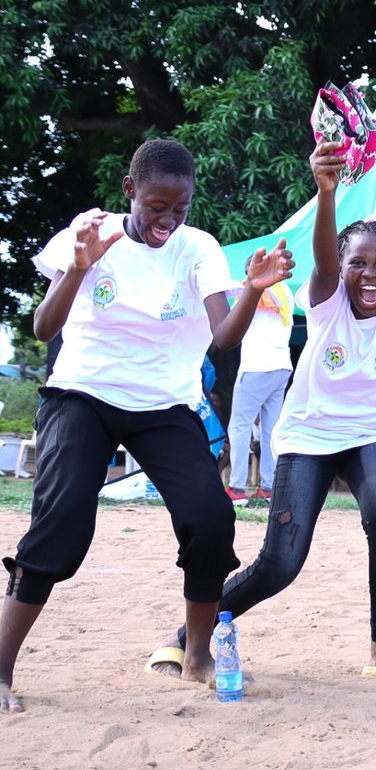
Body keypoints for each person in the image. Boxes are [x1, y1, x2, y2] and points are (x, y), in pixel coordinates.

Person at [149, 121, 376, 686]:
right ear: (342, 270)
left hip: (375, 431)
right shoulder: (327, 300)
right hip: (309, 434)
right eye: (359, 263)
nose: (369, 275)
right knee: (281, 562)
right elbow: (326, 256)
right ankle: (189, 638)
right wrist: (327, 194)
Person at [0, 138, 294, 713]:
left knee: (211, 517)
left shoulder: (198, 249)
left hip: (164, 404)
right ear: (131, 191)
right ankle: (2, 666)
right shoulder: (90, 233)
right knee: (60, 529)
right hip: (83, 394)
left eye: (180, 208)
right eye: (158, 206)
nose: (168, 219)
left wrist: (254, 290)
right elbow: (41, 326)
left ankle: (198, 656)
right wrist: (78, 270)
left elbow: (223, 336)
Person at [225, 260, 294, 503]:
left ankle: (237, 488)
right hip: (282, 365)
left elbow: (230, 307)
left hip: (257, 366)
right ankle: (269, 487)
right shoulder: (285, 292)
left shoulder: (253, 289)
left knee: (240, 427)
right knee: (270, 429)